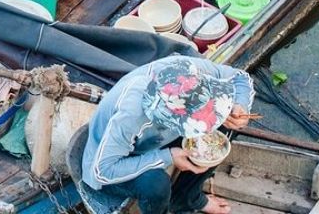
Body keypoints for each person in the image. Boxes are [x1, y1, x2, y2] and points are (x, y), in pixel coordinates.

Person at [83, 56, 257, 214]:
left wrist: (239, 106)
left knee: (225, 123)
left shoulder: (188, 71)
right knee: (156, 184)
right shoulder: (131, 116)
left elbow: (240, 77)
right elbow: (102, 171)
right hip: (116, 161)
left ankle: (187, 196)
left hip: (158, 138)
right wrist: (167, 156)